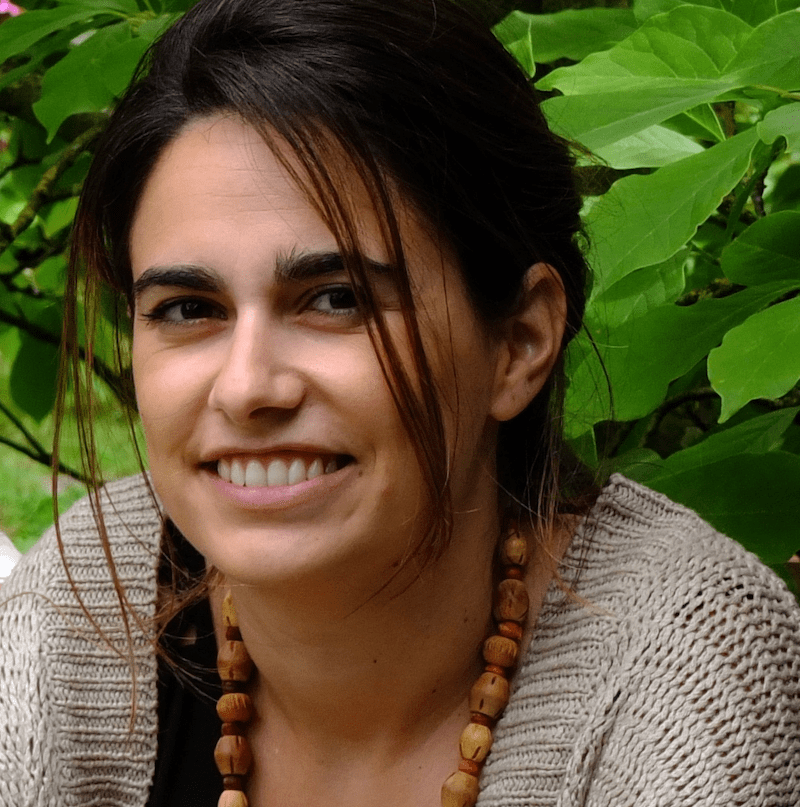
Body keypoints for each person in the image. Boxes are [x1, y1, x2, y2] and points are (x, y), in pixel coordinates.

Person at [1, 1, 798, 805]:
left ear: (519, 343)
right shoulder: (73, 619)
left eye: (337, 298)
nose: (246, 388)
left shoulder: (690, 687)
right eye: (188, 308)